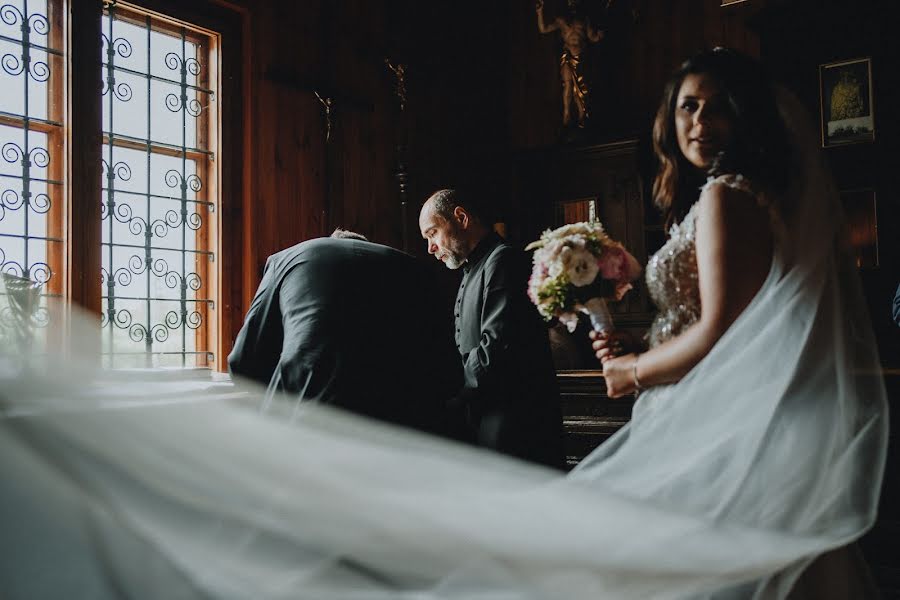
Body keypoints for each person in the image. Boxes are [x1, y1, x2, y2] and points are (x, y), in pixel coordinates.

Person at [586, 47, 888, 597]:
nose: (699, 123)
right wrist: (643, 339)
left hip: (720, 419)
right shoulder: (754, 193)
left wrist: (632, 371)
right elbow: (735, 313)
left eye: (718, 107)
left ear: (746, 116)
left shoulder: (729, 196)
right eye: (688, 106)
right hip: (725, 406)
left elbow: (722, 332)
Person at [227, 228, 459, 433]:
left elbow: (242, 362)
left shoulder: (289, 258)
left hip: (313, 416)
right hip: (406, 423)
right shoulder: (417, 270)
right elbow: (446, 366)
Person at [419, 189, 565, 469]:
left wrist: (449, 397)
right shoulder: (472, 268)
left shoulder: (503, 260)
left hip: (515, 426)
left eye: (433, 233)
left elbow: (496, 348)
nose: (431, 248)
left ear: (461, 217)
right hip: (486, 420)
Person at [536, 0, 604, 129]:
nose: (573, 4)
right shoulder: (561, 20)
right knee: (567, 84)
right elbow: (543, 29)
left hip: (581, 56)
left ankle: (582, 116)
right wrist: (540, 12)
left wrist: (599, 36)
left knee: (579, 89)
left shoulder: (584, 19)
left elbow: (592, 37)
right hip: (567, 54)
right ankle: (566, 114)